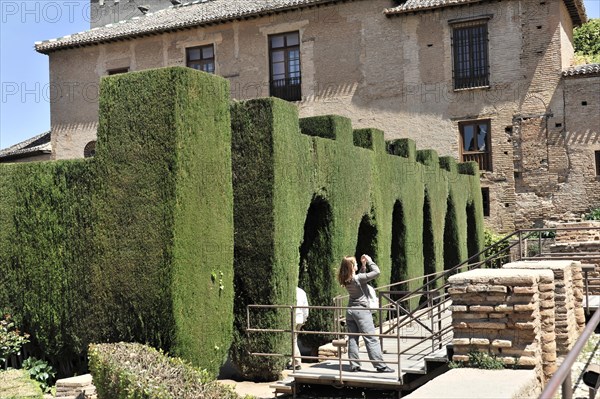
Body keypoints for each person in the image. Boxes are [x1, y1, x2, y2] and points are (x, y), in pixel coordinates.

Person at [337, 254, 394, 373]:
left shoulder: (346, 278)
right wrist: (370, 261)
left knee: (353, 338)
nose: (357, 264)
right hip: (361, 311)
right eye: (356, 264)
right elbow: (376, 272)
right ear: (352, 266)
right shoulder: (358, 278)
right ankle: (380, 366)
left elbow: (362, 279)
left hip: (350, 310)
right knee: (371, 339)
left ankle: (354, 365)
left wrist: (363, 265)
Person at [287, 286, 309, 370]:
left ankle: (296, 362)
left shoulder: (289, 290)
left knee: (293, 340)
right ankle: (292, 361)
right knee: (293, 340)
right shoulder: (301, 291)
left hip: (293, 318)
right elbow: (305, 308)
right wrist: (304, 319)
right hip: (300, 319)